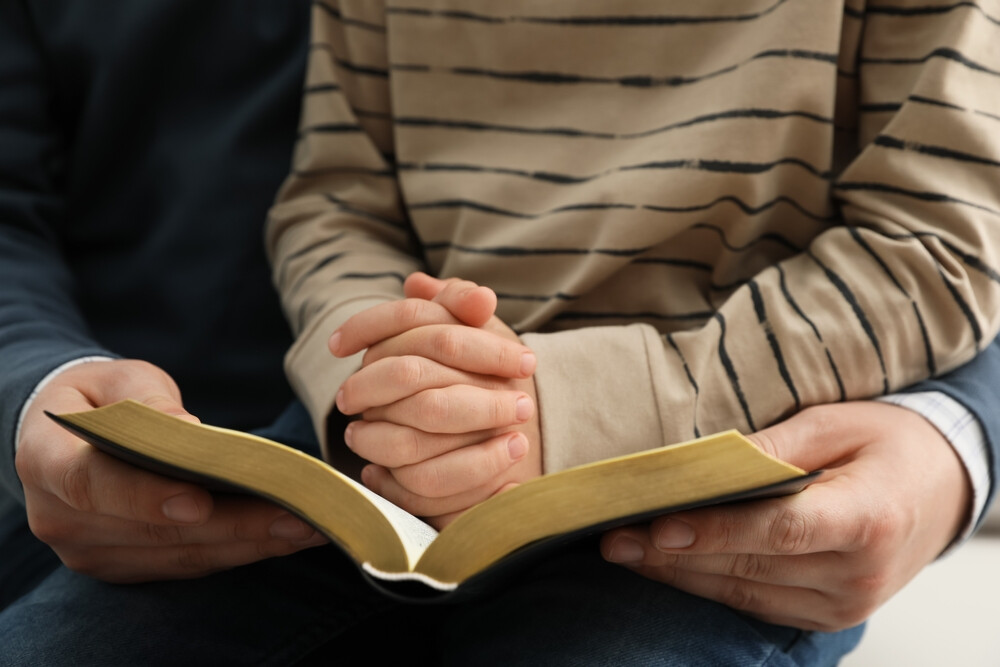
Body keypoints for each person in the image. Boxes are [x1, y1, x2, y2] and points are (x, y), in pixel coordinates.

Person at [0, 3, 997, 666]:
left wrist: (566, 408)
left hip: (691, 502)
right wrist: (385, 375)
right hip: (337, 462)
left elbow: (945, 234)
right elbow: (337, 193)